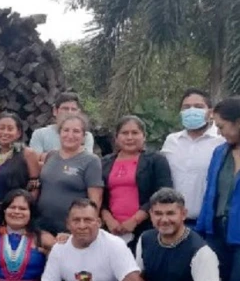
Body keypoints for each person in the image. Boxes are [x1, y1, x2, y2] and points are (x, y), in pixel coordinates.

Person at [196, 96, 240, 281]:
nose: (220, 131)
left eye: (223, 126)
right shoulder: (219, 153)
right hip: (216, 234)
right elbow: (210, 193)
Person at [101, 116, 173, 249]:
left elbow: (164, 194)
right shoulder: (104, 162)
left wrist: (135, 220)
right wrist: (109, 220)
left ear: (144, 136)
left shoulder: (156, 161)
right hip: (111, 230)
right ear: (116, 138)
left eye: (135, 133)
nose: (129, 137)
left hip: (146, 228)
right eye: (124, 133)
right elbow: (98, 195)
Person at [160, 89, 224, 228]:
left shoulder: (222, 141)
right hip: (173, 223)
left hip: (209, 225)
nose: (192, 110)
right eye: (186, 107)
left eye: (199, 106)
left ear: (211, 112)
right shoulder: (171, 141)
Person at [37, 114, 103, 234]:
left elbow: (95, 199)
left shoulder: (91, 160)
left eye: (76, 131)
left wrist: (88, 227)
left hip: (72, 229)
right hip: (43, 225)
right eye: (66, 130)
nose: (70, 135)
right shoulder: (51, 156)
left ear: (83, 136)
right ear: (59, 133)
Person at [0, 112, 41, 229]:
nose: (5, 132)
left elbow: (34, 188)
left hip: (13, 215)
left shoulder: (27, 154)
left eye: (10, 129)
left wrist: (21, 211)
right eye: (1, 128)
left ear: (18, 133)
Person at [29, 92, 95, 155]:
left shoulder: (85, 136)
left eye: (73, 109)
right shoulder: (40, 134)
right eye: (65, 109)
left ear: (78, 112)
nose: (69, 112)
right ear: (55, 111)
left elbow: (86, 162)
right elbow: (35, 161)